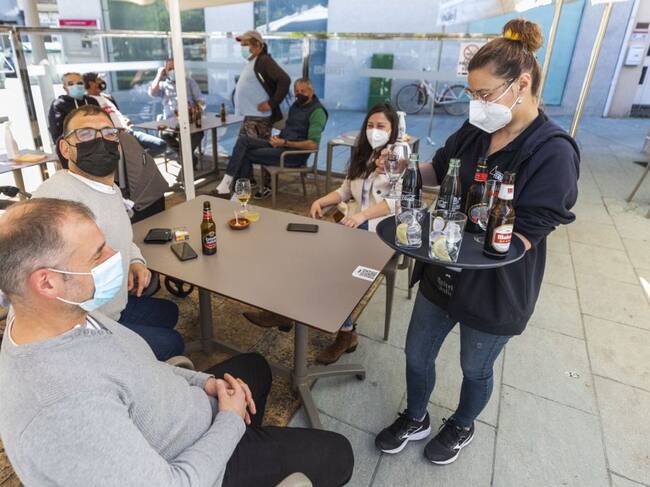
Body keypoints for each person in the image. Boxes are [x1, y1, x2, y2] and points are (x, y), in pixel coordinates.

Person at [0, 198, 355, 487]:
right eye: (97, 253)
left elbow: (141, 367)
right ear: (47, 283)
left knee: (256, 367)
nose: (114, 255)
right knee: (339, 454)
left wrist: (205, 382)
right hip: (198, 469)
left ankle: (252, 451)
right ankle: (246, 453)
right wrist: (230, 422)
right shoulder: (63, 410)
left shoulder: (58, 313)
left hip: (193, 416)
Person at [375, 18, 580, 465]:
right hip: (442, 267)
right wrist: (404, 168)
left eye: (484, 94)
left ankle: (462, 423)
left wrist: (484, 243)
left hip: (494, 286)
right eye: (472, 93)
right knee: (416, 354)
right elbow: (439, 169)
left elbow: (534, 227)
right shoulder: (475, 131)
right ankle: (415, 416)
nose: (476, 104)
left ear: (521, 84)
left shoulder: (553, 151)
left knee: (475, 366)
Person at [32, 105, 184, 361]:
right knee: (173, 342)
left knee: (170, 312)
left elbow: (119, 234)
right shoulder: (56, 200)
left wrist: (135, 260)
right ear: (65, 148)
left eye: (107, 133)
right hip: (84, 327)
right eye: (85, 134)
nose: (100, 140)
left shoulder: (108, 188)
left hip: (112, 307)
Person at [305, 103, 400, 364]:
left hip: (381, 231)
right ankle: (291, 311)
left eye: (381, 126)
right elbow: (345, 190)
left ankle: (345, 333)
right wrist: (321, 201)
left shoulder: (397, 158)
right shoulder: (363, 154)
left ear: (392, 130)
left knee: (331, 265)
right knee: (313, 253)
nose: (374, 130)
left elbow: (399, 201)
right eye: (370, 125)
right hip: (354, 227)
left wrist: (363, 216)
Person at [213, 78, 327, 199]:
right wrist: (279, 138)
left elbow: (313, 145)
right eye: (297, 91)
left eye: (303, 91)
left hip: (293, 155)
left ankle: (237, 194)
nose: (299, 94)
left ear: (312, 91)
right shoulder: (296, 106)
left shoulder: (317, 112)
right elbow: (291, 129)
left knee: (245, 154)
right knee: (243, 141)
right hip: (281, 145)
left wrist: (285, 142)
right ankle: (227, 182)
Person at [84, 72, 167, 157]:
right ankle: (134, 160)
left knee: (160, 145)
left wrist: (125, 119)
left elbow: (116, 113)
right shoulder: (86, 101)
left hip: (128, 131)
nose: (102, 81)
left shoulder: (108, 97)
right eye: (99, 79)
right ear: (91, 83)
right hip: (114, 137)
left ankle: (138, 161)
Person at [234, 30, 290, 140]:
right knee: (243, 148)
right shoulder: (253, 61)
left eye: (246, 44)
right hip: (250, 117)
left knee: (252, 149)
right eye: (242, 45)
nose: (243, 48)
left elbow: (284, 80)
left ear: (258, 45)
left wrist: (271, 103)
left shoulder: (264, 60)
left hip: (258, 119)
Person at [149, 59, 205, 167]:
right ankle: (188, 158)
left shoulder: (189, 82)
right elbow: (152, 92)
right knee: (164, 135)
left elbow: (201, 101)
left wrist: (195, 108)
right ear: (165, 71)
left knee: (198, 134)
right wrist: (159, 74)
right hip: (170, 122)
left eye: (174, 68)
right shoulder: (163, 85)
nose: (173, 71)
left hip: (188, 121)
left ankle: (184, 157)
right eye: (170, 69)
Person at [48, 72, 99, 164]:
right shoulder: (59, 104)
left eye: (79, 83)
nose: (76, 86)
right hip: (75, 151)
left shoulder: (92, 101)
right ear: (65, 87)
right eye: (71, 84)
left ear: (84, 85)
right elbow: (57, 133)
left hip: (97, 147)